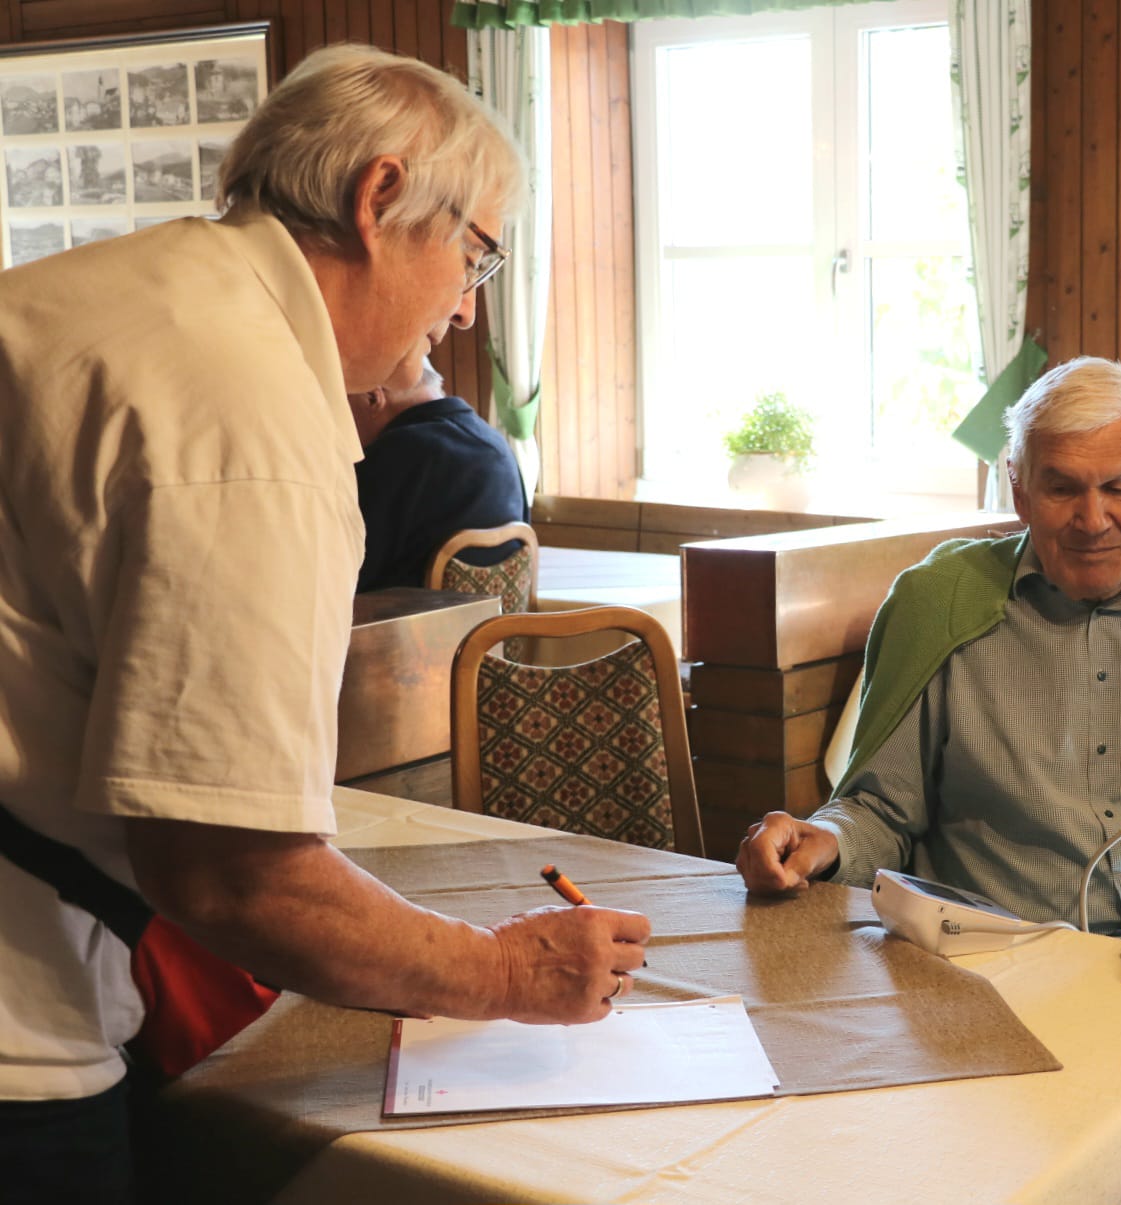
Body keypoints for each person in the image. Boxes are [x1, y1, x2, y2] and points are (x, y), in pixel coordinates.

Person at [0, 46, 647, 1204]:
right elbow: (238, 875)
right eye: (477, 254)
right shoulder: (253, 417)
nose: (462, 308)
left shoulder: (88, 296)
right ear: (379, 196)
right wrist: (502, 970)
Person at [736, 357, 1121, 1205]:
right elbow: (882, 806)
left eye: (1119, 486)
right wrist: (825, 840)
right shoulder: (940, 604)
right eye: (1062, 487)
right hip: (977, 986)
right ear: (1018, 487)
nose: (1093, 518)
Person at [352, 358, 530, 592]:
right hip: (496, 626)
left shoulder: (397, 452)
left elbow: (348, 570)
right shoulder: (494, 442)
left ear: (373, 397)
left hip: (408, 627)